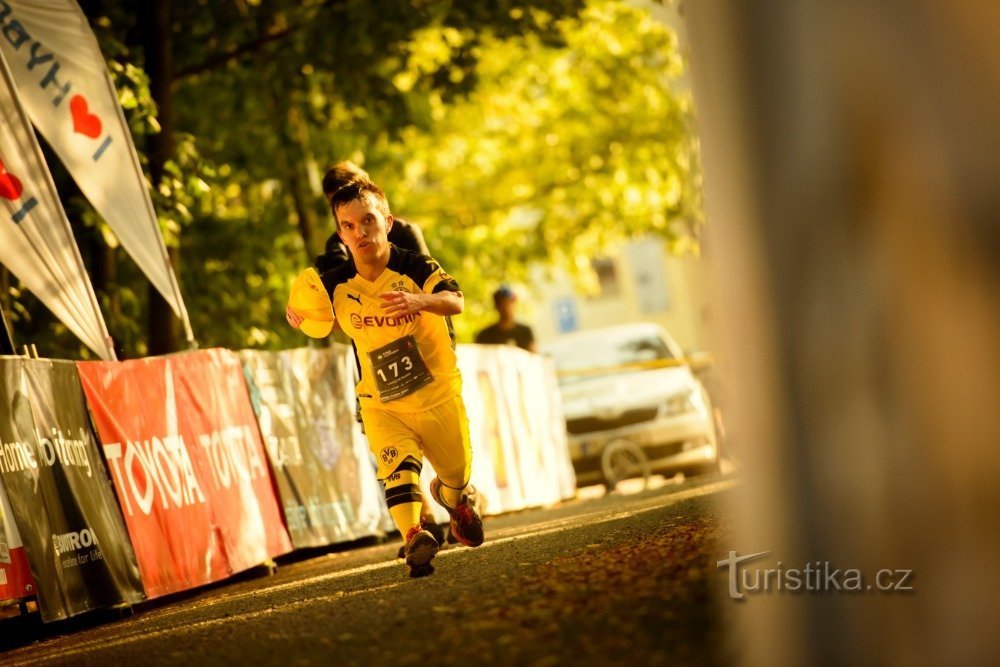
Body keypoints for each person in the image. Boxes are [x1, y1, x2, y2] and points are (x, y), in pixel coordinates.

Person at [286, 178, 485, 578]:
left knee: (456, 476)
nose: (359, 233)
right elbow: (308, 312)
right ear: (340, 232)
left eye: (367, 221)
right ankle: (415, 535)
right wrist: (297, 316)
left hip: (437, 393)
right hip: (383, 400)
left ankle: (452, 499)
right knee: (397, 466)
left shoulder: (415, 265)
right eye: (348, 226)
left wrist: (419, 301)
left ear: (387, 221)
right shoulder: (335, 280)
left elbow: (456, 300)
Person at [317, 161, 449, 552]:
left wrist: (446, 343)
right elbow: (329, 301)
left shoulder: (405, 230)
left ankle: (455, 492)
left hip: (424, 345)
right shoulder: (334, 244)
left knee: (435, 431)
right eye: (339, 206)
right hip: (373, 356)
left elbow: (433, 284)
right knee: (392, 441)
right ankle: (421, 523)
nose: (356, 225)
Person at [474, 285, 537, 352]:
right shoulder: (485, 335)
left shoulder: (525, 332)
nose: (507, 307)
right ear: (496, 306)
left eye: (510, 302)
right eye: (502, 304)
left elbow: (534, 357)